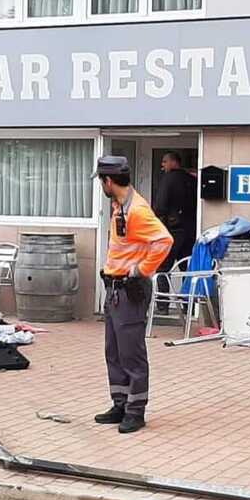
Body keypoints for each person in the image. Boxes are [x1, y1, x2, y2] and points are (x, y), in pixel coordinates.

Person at [92, 156, 173, 434]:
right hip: (115, 289)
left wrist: (140, 270)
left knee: (131, 354)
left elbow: (164, 240)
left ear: (108, 181)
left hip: (129, 290)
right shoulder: (120, 207)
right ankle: (120, 403)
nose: (101, 186)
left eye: (101, 181)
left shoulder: (137, 210)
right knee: (113, 351)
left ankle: (136, 411)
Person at [153, 152, 198, 308]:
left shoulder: (168, 179)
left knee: (163, 267)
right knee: (187, 267)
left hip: (172, 230)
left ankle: (163, 305)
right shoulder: (191, 180)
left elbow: (160, 207)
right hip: (190, 230)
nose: (162, 165)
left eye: (165, 162)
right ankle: (189, 305)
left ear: (174, 162)